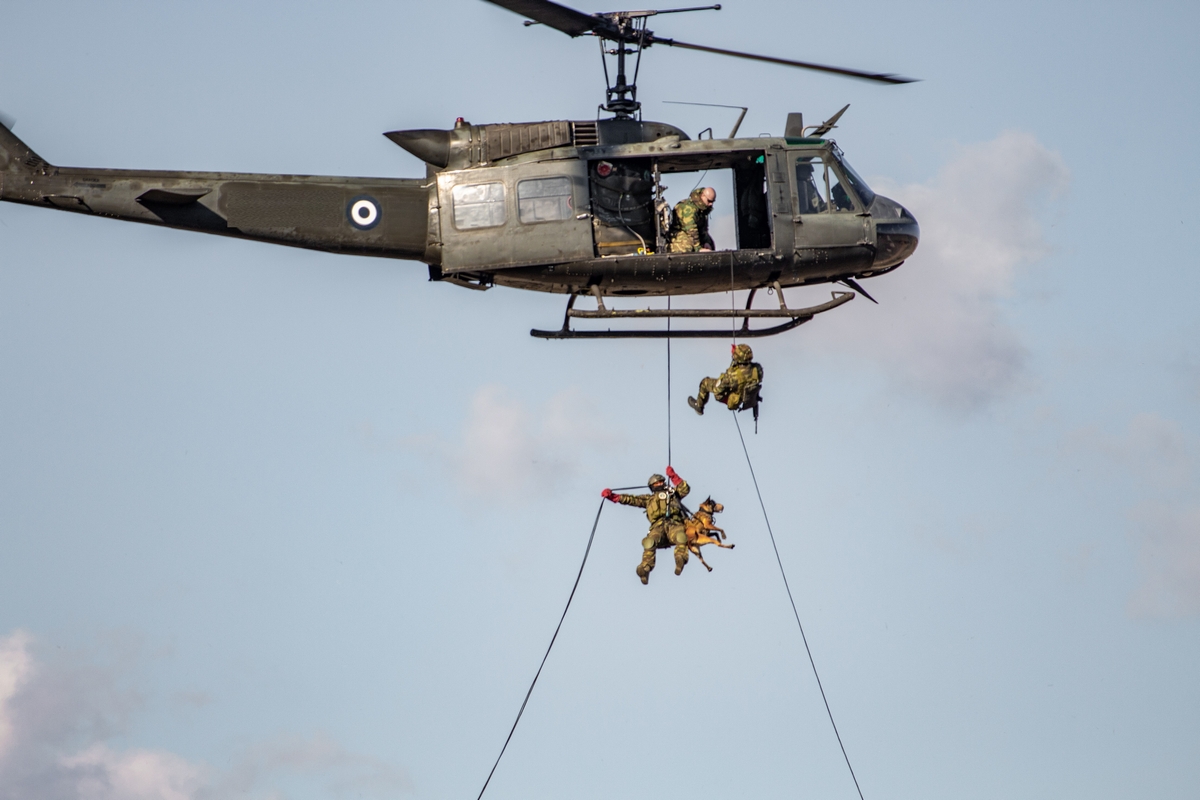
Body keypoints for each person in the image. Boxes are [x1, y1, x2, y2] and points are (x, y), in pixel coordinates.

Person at [601, 467, 691, 584]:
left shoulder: (673, 494)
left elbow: (684, 488)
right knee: (649, 542)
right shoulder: (648, 500)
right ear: (652, 486)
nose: (660, 484)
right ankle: (645, 567)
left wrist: (673, 476)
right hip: (657, 527)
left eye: (661, 481)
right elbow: (631, 499)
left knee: (680, 536)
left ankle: (680, 558)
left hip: (674, 523)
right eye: (657, 483)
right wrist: (612, 496)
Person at [688, 343, 764, 415]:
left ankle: (699, 406)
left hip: (732, 398)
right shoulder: (757, 369)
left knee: (705, 383)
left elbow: (718, 390)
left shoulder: (732, 375)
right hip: (746, 398)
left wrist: (728, 373)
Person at [667, 187, 716, 253]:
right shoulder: (688, 208)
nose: (711, 204)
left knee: (710, 244)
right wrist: (698, 248)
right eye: (709, 201)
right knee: (687, 246)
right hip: (679, 233)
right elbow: (691, 230)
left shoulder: (702, 210)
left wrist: (706, 242)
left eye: (713, 201)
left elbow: (703, 230)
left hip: (692, 234)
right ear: (703, 196)